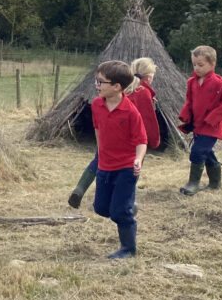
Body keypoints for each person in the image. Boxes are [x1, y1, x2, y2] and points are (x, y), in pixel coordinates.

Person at [68, 57, 161, 209]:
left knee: (99, 159)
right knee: (131, 170)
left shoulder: (121, 89)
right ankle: (128, 202)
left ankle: (80, 188)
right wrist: (155, 140)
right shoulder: (141, 92)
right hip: (131, 142)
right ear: (149, 76)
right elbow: (147, 119)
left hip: (108, 138)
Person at [91, 60, 147, 259]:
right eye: (96, 80)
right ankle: (129, 207)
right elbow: (98, 129)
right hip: (105, 165)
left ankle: (128, 249)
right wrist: (100, 153)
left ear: (116, 87)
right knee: (100, 208)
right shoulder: (96, 105)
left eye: (101, 82)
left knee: (118, 213)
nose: (97, 85)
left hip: (126, 167)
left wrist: (138, 160)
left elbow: (142, 140)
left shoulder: (131, 112)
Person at [177, 45, 222, 196]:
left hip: (211, 126)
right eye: (194, 64)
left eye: (201, 65)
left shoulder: (219, 83)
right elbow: (189, 101)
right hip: (198, 124)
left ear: (212, 64)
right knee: (207, 153)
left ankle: (193, 183)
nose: (197, 68)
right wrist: (186, 116)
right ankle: (215, 183)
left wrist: (212, 118)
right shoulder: (192, 82)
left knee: (197, 152)